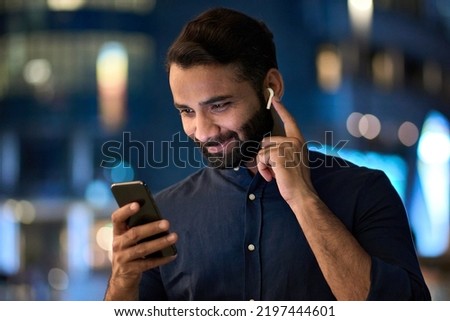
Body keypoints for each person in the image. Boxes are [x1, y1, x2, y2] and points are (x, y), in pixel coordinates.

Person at [104, 7, 431, 301]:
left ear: (270, 86)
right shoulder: (166, 215)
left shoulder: (365, 192)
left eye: (219, 105)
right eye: (187, 111)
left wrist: (304, 200)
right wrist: (122, 281)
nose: (202, 131)